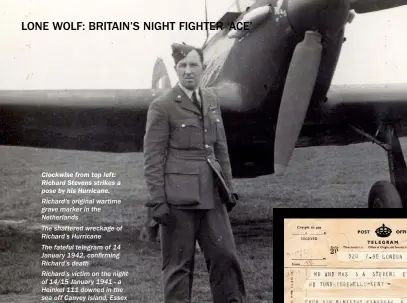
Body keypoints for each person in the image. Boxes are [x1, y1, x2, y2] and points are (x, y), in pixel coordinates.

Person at [142, 42, 246, 303]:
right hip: (178, 200)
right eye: (183, 65)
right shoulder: (162, 105)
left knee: (225, 257)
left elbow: (220, 147)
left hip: (212, 194)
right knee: (179, 266)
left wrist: (229, 188)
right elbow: (153, 158)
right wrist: (157, 200)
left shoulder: (212, 100)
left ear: (203, 68)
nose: (188, 71)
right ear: (177, 69)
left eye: (193, 65)